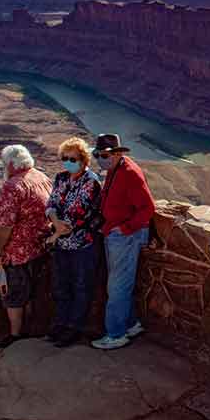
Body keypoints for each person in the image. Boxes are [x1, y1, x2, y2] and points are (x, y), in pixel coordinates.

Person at [91, 134, 155, 350]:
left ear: (117, 153)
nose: (100, 158)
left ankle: (116, 334)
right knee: (120, 284)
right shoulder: (115, 169)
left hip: (126, 237)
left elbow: (147, 209)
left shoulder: (129, 174)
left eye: (104, 155)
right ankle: (131, 324)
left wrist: (124, 228)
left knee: (117, 286)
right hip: (116, 234)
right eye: (97, 155)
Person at [0, 145, 53, 349]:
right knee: (31, 291)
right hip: (39, 247)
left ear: (9, 164)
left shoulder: (13, 186)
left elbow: (6, 225)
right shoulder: (40, 177)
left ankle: (16, 335)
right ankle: (31, 329)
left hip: (17, 252)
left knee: (14, 294)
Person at [44, 137, 103, 347]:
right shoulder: (60, 178)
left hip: (82, 245)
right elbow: (51, 203)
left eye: (73, 158)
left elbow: (80, 214)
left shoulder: (91, 182)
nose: (68, 162)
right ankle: (60, 323)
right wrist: (55, 223)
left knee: (81, 287)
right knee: (61, 286)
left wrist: (56, 233)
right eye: (65, 158)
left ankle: (74, 328)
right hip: (62, 245)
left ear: (84, 160)